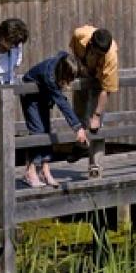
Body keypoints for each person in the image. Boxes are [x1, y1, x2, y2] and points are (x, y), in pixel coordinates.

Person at [20, 52, 89, 188]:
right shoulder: (50, 77)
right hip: (30, 95)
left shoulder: (64, 60)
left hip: (43, 95)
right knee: (37, 132)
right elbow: (62, 104)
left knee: (46, 131)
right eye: (68, 78)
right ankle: (30, 172)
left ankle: (45, 171)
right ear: (62, 72)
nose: (69, 82)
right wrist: (78, 127)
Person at [67, 26, 119, 132]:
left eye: (102, 55)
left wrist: (97, 116)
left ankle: (96, 146)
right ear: (91, 44)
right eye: (98, 54)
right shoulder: (79, 35)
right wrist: (81, 67)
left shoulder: (111, 56)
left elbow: (106, 89)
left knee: (95, 123)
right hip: (83, 70)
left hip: (99, 79)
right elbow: (75, 51)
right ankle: (81, 144)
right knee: (79, 111)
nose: (100, 56)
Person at [0, 18, 29, 124]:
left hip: (5, 96)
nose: (13, 47)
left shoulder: (17, 45)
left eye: (15, 45)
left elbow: (15, 65)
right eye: (11, 44)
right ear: (2, 37)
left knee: (3, 130)